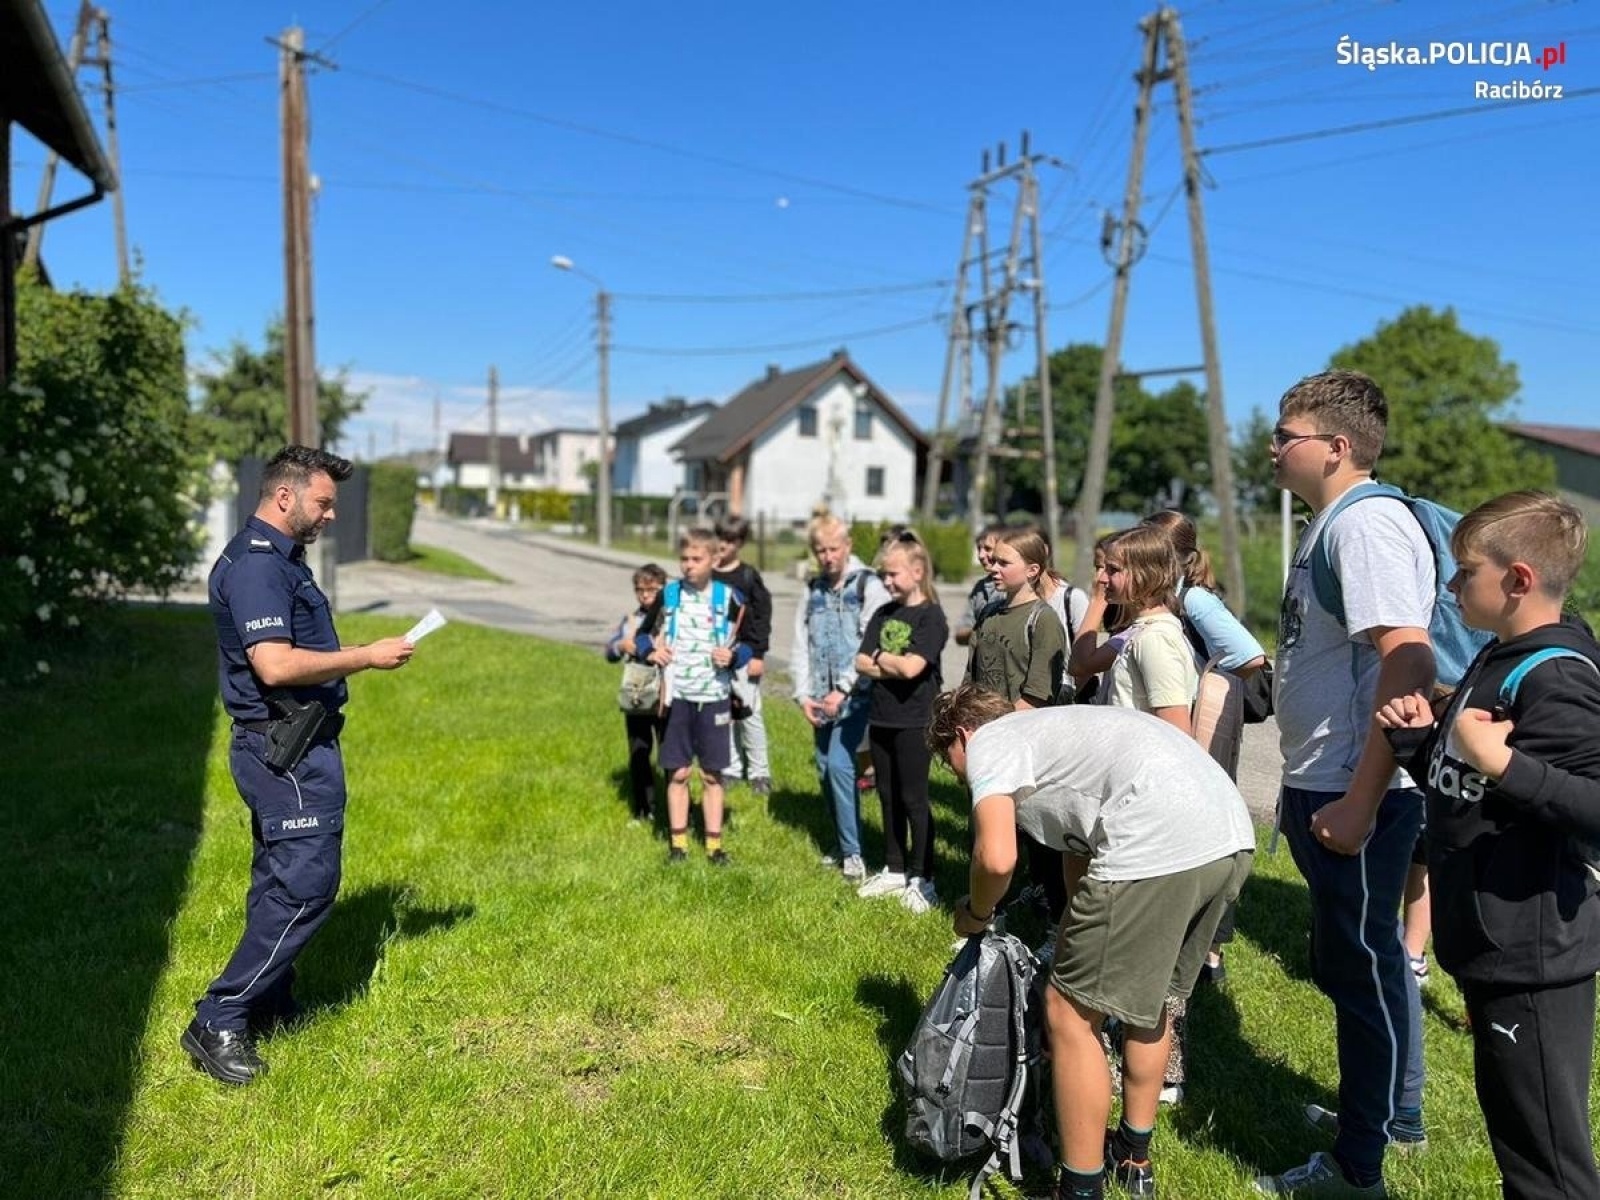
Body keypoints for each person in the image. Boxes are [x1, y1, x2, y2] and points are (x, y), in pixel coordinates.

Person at [932, 684, 1254, 1200]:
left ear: (963, 735)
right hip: (1227, 835)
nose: (963, 778)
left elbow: (995, 858)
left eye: (953, 765)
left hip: (1156, 839)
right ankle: (1133, 1157)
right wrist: (1068, 942)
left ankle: (1080, 1188)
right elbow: (1079, 854)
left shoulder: (992, 742)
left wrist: (976, 913)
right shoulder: (1056, 734)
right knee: (1153, 1004)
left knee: (1069, 1015)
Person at [1375, 490, 1600, 1200]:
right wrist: (1419, 745)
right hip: (1492, 948)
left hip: (1532, 957)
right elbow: (1470, 785)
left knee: (1548, 1167)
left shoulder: (1557, 674)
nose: (1450, 586)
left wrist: (1505, 763)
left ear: (1519, 579)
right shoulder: (1500, 654)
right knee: (1519, 1148)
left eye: (1464, 570)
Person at [184, 445, 415, 1086]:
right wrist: (365, 655)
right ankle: (220, 1015)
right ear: (284, 497)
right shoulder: (259, 568)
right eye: (323, 502)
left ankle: (267, 1001)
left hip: (296, 743)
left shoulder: (280, 560)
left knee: (276, 877)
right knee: (307, 884)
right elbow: (276, 666)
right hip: (284, 750)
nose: (331, 514)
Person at [1254, 370, 1433, 1197]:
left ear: (1337, 447)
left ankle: (1361, 1166)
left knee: (1363, 975)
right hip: (1322, 782)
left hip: (1355, 792)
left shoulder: (1366, 527)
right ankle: (1384, 1113)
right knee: (1352, 967)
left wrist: (1361, 799)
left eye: (1286, 435)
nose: (1273, 447)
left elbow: (1408, 657)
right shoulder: (1331, 523)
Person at [1074, 522, 1200, 1108]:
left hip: (1152, 818)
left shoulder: (1157, 641)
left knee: (1151, 958)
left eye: (1114, 570)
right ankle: (1138, 1063)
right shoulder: (1136, 634)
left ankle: (1161, 1075)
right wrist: (1100, 606)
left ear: (1147, 574)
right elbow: (1083, 663)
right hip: (1130, 808)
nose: (1102, 578)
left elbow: (1176, 735)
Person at [1141, 508, 1268, 986]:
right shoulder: (1164, 597)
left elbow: (1250, 654)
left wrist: (1203, 677)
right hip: (1179, 725)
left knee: (1209, 830)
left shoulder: (1193, 600)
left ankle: (1211, 952)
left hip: (1205, 727)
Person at [636, 527, 749, 866]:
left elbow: (750, 645)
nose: (688, 565)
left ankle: (715, 847)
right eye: (683, 559)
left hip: (715, 696)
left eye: (696, 559)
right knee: (679, 773)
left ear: (715, 559)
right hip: (678, 699)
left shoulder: (730, 598)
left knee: (713, 774)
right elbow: (643, 636)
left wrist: (734, 657)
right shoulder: (669, 595)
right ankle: (678, 845)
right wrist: (651, 653)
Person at [791, 513, 889, 882]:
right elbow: (802, 644)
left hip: (857, 696)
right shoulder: (813, 589)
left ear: (847, 546)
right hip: (819, 694)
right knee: (823, 768)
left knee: (839, 765)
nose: (827, 557)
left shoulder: (867, 585)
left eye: (834, 549)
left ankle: (854, 854)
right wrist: (803, 694)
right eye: (820, 551)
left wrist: (843, 688)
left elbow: (871, 641)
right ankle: (840, 840)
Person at [853, 535, 949, 913]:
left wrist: (882, 659)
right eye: (882, 575)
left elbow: (914, 668)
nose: (886, 582)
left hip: (914, 720)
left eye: (892, 574)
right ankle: (894, 869)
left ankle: (923, 877)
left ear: (917, 571)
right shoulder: (884, 613)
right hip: (881, 717)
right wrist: (888, 659)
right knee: (887, 794)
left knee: (914, 799)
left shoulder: (931, 617)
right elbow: (861, 660)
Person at [713, 515, 773, 796]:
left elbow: (762, 615)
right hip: (716, 655)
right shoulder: (709, 573)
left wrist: (758, 654)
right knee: (724, 714)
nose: (722, 544)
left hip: (744, 653)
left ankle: (760, 771)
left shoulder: (748, 576)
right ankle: (732, 769)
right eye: (719, 538)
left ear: (739, 544)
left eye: (728, 540)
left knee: (749, 714)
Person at [605, 563, 668, 822]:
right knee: (639, 753)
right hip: (638, 695)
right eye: (640, 590)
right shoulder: (631, 620)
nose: (645, 595)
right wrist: (622, 645)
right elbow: (609, 652)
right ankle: (644, 809)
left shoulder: (672, 618)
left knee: (672, 754)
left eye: (652, 589)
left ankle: (680, 809)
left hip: (666, 694)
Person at [954, 524, 1004, 646]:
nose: (981, 555)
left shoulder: (1017, 587)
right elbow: (961, 632)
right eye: (979, 549)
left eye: (987, 549)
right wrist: (980, 630)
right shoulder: (980, 588)